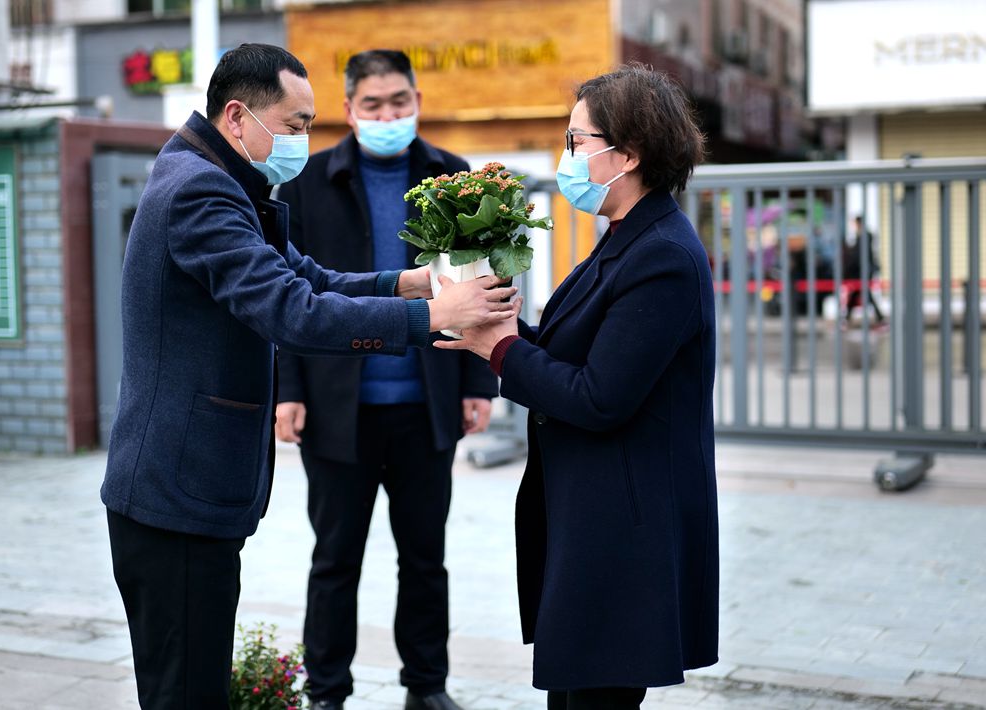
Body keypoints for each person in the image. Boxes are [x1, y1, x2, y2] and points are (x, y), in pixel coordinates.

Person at [99, 43, 517, 710]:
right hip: (175, 492)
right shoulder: (201, 191)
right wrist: (432, 314)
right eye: (295, 125)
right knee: (184, 692)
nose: (302, 140)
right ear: (239, 117)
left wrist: (407, 282)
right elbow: (293, 312)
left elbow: (310, 276)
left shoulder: (221, 177)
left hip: (187, 490)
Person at [437, 64, 719, 709]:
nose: (566, 157)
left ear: (629, 153)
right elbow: (576, 350)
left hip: (625, 527)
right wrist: (500, 325)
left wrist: (502, 348)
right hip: (590, 513)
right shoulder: (626, 237)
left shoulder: (663, 257)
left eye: (576, 141)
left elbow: (600, 397)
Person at [274, 50, 496, 710]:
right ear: (349, 110)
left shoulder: (454, 178)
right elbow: (285, 292)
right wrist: (287, 388)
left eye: (399, 101)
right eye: (372, 105)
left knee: (425, 560)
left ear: (417, 99)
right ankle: (327, 693)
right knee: (335, 561)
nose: (387, 115)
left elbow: (484, 282)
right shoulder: (310, 183)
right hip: (336, 408)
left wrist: (479, 383)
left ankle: (426, 689)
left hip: (427, 405)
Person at [843, 215, 886, 325]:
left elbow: (861, 255)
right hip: (860, 271)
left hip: (864, 271)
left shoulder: (864, 237)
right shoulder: (862, 236)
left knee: (863, 293)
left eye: (855, 224)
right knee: (858, 293)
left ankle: (880, 319)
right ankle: (847, 318)